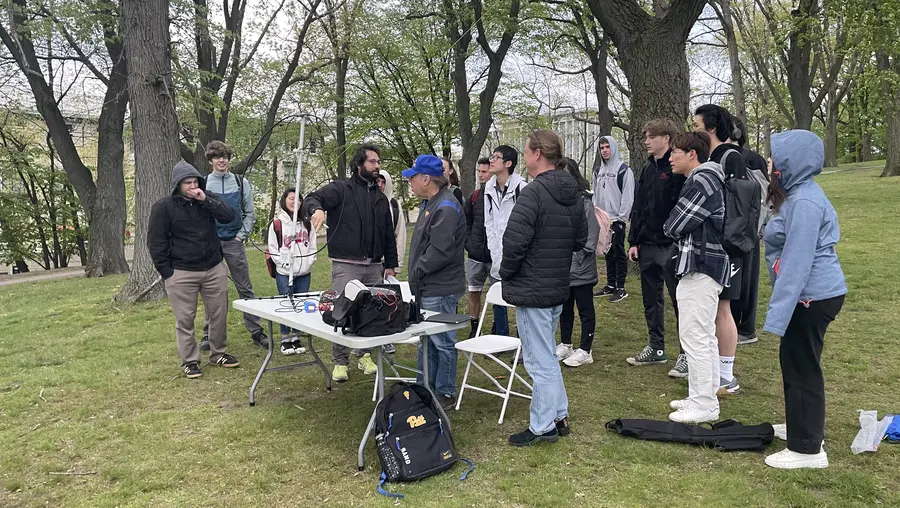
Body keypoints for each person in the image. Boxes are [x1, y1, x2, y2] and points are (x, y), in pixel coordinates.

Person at [762, 130, 846, 469]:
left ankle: (808, 449)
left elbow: (797, 263)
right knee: (796, 363)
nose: (769, 162)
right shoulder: (796, 195)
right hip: (810, 294)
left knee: (801, 367)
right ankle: (803, 426)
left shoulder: (806, 202)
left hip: (811, 296)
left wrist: (778, 315)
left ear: (790, 162)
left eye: (774, 156)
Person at [501, 129, 587, 447]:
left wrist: (507, 274)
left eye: (525, 151)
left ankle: (542, 426)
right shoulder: (574, 192)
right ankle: (559, 415)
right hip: (555, 285)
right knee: (547, 354)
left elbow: (514, 242)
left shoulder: (533, 193)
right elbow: (580, 239)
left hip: (533, 287)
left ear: (537, 153)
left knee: (539, 360)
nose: (524, 157)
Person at [302, 144, 399, 382]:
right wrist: (317, 210)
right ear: (359, 165)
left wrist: (391, 265)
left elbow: (388, 234)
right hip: (346, 264)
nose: (377, 166)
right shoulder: (341, 190)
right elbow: (312, 198)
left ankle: (364, 355)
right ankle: (340, 362)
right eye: (372, 162)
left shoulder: (380, 197)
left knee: (373, 313)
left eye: (379, 162)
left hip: (375, 266)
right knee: (342, 311)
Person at [148, 161, 240, 378]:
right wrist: (167, 271)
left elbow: (229, 216)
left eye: (195, 181)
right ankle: (190, 361)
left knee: (218, 313)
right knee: (185, 319)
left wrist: (205, 200)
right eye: (187, 182)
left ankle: (219, 353)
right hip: (181, 271)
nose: (192, 186)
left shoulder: (206, 199)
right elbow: (155, 242)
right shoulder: (164, 207)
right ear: (177, 185)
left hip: (213, 267)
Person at [663, 132, 729, 423]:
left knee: (695, 335)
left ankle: (704, 404)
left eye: (675, 151)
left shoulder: (702, 179)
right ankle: (703, 395)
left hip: (701, 265)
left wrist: (670, 225)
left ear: (692, 154)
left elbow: (675, 223)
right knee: (704, 334)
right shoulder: (707, 178)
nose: (670, 157)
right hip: (703, 264)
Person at [404, 155, 467, 409]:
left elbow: (439, 251)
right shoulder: (431, 203)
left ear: (426, 178)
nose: (410, 182)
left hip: (440, 287)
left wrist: (418, 271)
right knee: (427, 340)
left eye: (413, 177)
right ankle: (424, 387)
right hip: (428, 286)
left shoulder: (446, 207)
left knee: (442, 340)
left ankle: (445, 391)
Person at [625, 119, 687, 377]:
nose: (647, 141)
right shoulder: (647, 169)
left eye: (652, 136)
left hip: (671, 245)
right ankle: (656, 347)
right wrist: (634, 241)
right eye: (646, 136)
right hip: (647, 244)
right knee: (652, 299)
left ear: (666, 138)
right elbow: (638, 206)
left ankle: (687, 353)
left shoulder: (676, 169)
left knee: (680, 300)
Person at [693, 105, 744, 395]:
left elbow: (736, 204)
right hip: (713, 245)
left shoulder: (730, 157)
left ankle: (727, 375)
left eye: (697, 124)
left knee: (723, 308)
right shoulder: (713, 157)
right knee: (713, 308)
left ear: (711, 128)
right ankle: (715, 370)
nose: (694, 128)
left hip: (728, 244)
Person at [200, 141, 269, 351]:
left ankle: (256, 331)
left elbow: (250, 213)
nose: (222, 160)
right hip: (211, 245)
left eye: (225, 156)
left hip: (234, 242)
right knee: (212, 289)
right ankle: (207, 334)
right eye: (217, 157)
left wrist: (241, 236)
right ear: (211, 160)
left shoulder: (240, 182)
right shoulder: (203, 184)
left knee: (244, 287)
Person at [556, 158, 600, 367]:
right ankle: (566, 343)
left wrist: (578, 256)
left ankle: (585, 348)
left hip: (581, 266)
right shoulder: (556, 200)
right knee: (565, 308)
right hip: (563, 266)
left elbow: (591, 235)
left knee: (584, 307)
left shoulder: (584, 201)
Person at [731, 116, 768, 345]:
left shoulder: (752, 160)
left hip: (748, 230)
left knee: (747, 281)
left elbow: (764, 196)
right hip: (728, 229)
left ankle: (745, 328)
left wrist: (757, 228)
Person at [268, 188, 317, 356]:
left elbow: (312, 245)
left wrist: (309, 262)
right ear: (284, 200)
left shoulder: (307, 223)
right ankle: (285, 339)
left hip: (304, 272)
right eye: (290, 198)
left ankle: (296, 337)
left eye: (298, 199)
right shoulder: (277, 224)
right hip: (285, 272)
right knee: (286, 303)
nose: (294, 202)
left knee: (300, 303)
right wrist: (283, 263)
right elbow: (273, 248)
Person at [485, 145, 526, 336]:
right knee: (497, 295)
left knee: (520, 299)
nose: (491, 160)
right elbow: (489, 222)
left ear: (508, 163)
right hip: (496, 251)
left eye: (496, 157)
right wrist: (493, 248)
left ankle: (522, 341)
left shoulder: (522, 188)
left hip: (517, 253)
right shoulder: (489, 187)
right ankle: (501, 336)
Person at [592, 135, 634, 302]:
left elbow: (628, 197)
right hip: (603, 220)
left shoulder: (624, 170)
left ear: (613, 148)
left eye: (607, 147)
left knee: (618, 252)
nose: (604, 151)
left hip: (617, 219)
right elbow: (595, 193)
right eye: (602, 148)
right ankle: (610, 284)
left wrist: (622, 218)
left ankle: (620, 287)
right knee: (607, 252)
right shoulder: (598, 171)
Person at [463, 157, 494, 338]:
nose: (481, 175)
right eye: (479, 172)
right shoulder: (474, 197)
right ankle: (475, 328)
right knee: (474, 292)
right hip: (475, 254)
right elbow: (466, 222)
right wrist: (469, 243)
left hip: (495, 255)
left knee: (498, 292)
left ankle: (499, 326)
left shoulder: (501, 195)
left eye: (484, 172)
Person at [376, 171, 407, 276]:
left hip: (388, 263)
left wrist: (396, 266)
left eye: (383, 182)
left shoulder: (394, 205)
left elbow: (400, 235)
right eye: (377, 181)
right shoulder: (365, 203)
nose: (380, 185)